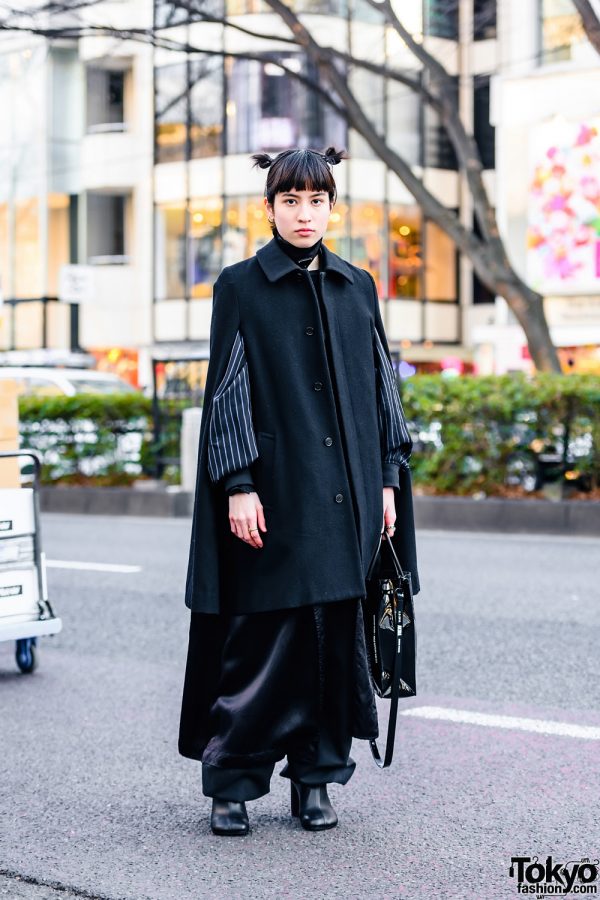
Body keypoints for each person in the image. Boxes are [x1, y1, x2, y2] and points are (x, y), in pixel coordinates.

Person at [178, 146, 420, 836]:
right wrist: (238, 484)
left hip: (346, 499)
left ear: (332, 207)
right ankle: (233, 783)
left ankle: (317, 779)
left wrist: (386, 482)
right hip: (273, 501)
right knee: (257, 646)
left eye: (317, 201)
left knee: (332, 644)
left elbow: (382, 391)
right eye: (291, 201)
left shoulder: (356, 286)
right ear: (271, 208)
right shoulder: (241, 286)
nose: (304, 214)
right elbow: (227, 390)